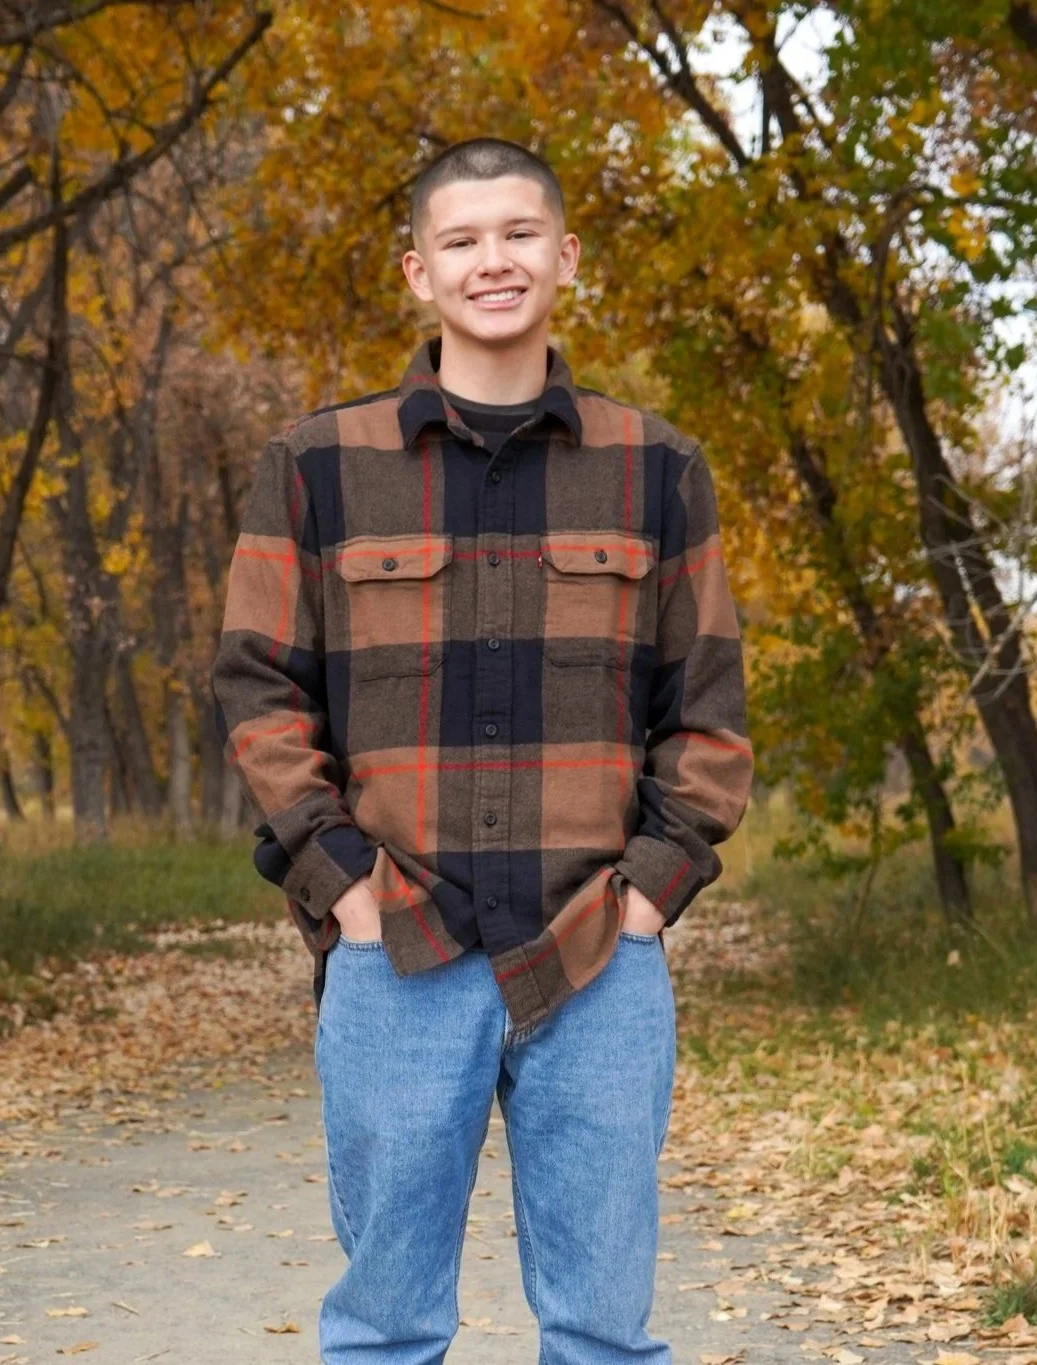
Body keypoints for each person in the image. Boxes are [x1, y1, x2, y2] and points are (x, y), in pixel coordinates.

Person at [212, 136, 752, 1365]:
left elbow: (708, 709)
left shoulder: (658, 468)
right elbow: (256, 687)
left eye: (518, 234)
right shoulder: (317, 465)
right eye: (461, 240)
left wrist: (651, 900)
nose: (491, 260)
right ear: (418, 270)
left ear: (565, 255)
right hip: (398, 946)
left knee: (605, 1334)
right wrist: (342, 885)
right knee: (386, 1332)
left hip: (599, 955)